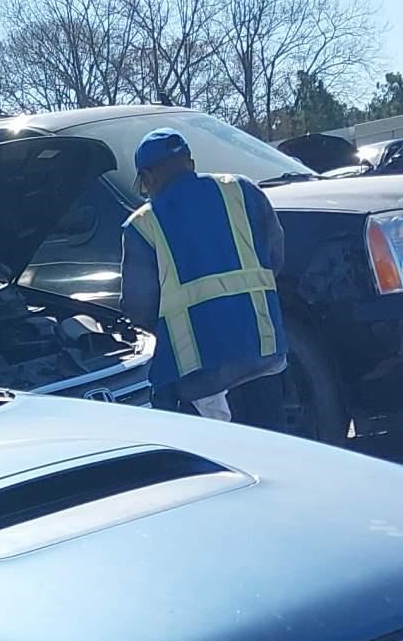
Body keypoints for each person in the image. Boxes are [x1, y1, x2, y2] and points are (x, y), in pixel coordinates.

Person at [119, 129, 287, 427]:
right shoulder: (243, 191)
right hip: (264, 355)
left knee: (225, 462)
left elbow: (139, 309)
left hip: (201, 375)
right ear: (191, 163)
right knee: (275, 450)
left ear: (149, 177)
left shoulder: (142, 226)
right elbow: (276, 259)